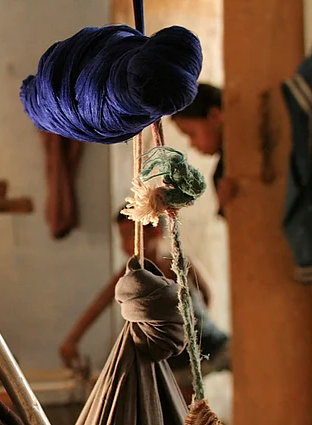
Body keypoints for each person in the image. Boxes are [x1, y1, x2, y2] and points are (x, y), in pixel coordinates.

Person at [59, 210, 230, 402]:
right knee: (182, 403)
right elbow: (98, 306)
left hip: (203, 341)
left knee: (239, 357)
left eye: (127, 235)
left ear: (153, 232)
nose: (123, 244)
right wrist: (72, 339)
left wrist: (195, 320)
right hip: (171, 353)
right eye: (120, 236)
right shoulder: (131, 275)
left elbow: (207, 292)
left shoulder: (180, 263)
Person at [171, 83, 237, 217]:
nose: (192, 143)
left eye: (191, 134)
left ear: (215, 116)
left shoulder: (228, 168)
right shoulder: (221, 174)